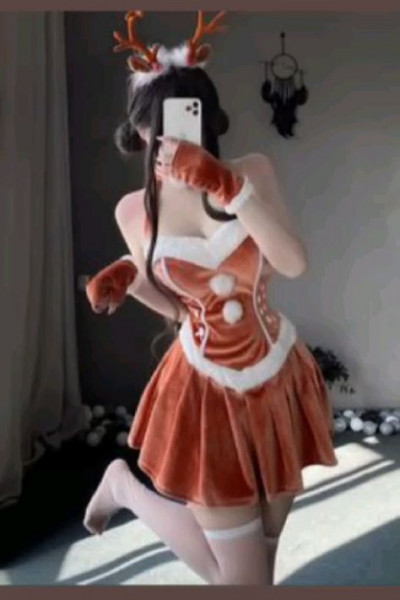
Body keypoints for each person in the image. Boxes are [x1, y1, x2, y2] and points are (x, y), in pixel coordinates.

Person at [83, 10, 337, 586]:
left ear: (207, 116)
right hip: (204, 394)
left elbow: (293, 263)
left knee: (258, 570)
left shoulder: (253, 172)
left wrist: (226, 186)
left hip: (277, 381)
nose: (173, 135)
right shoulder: (133, 210)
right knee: (242, 582)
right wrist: (130, 279)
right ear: (140, 129)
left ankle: (123, 487)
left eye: (188, 115)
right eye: (159, 124)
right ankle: (125, 488)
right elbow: (180, 309)